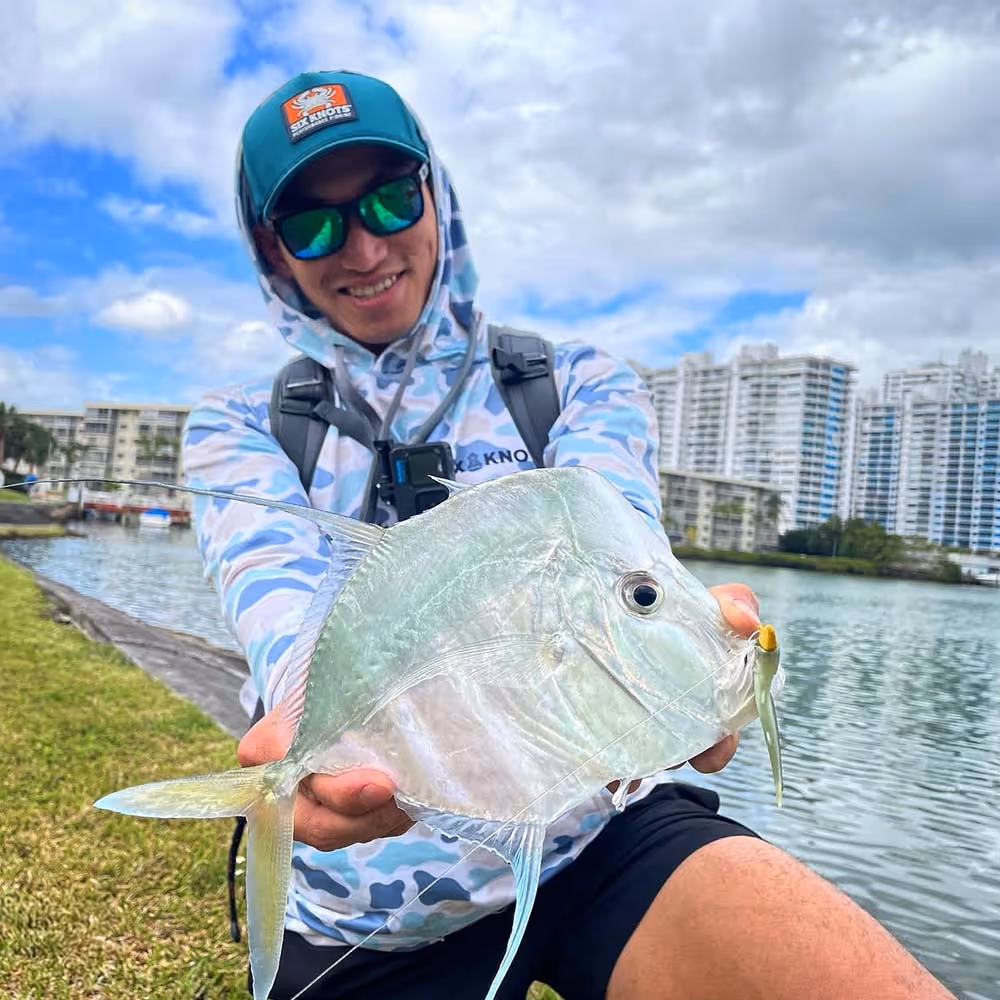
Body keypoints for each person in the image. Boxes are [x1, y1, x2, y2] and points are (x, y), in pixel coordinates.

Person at [183, 70, 955, 1000]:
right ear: (272, 250)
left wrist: (691, 667)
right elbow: (284, 618)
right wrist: (306, 749)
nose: (363, 245)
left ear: (438, 195)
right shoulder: (239, 427)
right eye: (313, 223)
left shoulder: (573, 382)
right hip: (373, 910)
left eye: (391, 198)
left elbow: (624, 556)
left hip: (601, 836)